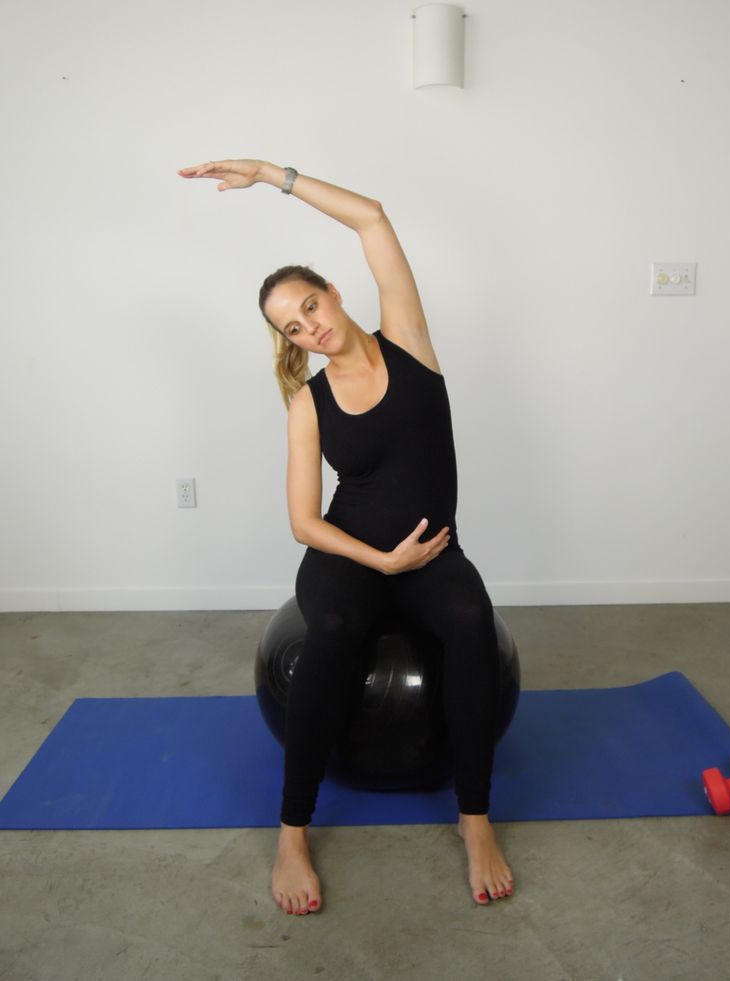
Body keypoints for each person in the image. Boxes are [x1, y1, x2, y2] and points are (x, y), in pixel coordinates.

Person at [178, 158, 515, 915]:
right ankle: (292, 831)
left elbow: (372, 217)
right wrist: (380, 559)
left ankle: (475, 818)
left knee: (468, 619)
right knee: (328, 627)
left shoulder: (411, 341)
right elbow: (304, 522)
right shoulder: (308, 400)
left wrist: (271, 174)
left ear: (332, 288)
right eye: (293, 326)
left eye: (310, 304)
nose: (311, 325)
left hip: (432, 553)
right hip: (352, 552)